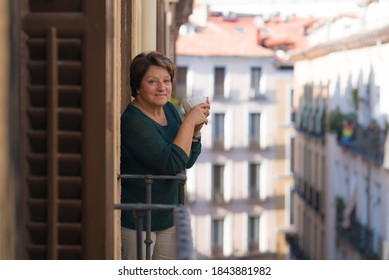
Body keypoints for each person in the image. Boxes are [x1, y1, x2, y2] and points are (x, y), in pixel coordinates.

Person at [120, 51, 210, 260]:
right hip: (139, 221)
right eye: (153, 81)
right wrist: (188, 121)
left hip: (168, 216)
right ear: (137, 87)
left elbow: (186, 161)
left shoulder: (168, 109)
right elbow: (171, 163)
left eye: (166, 81)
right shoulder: (133, 122)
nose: (162, 88)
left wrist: (194, 132)